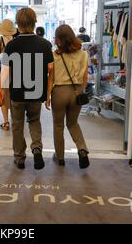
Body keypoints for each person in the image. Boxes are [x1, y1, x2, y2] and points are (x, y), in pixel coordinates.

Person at [0, 8, 54, 170]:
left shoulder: (11, 46)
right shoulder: (45, 44)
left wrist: (0, 90)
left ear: (18, 25)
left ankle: (20, 158)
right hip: (37, 92)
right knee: (34, 121)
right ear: (35, 22)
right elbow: (51, 70)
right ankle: (36, 149)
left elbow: (5, 72)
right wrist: (48, 92)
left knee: (17, 124)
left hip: (17, 93)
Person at [46, 24, 90, 169]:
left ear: (59, 40)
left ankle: (60, 157)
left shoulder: (55, 55)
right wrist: (80, 91)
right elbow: (85, 77)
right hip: (77, 91)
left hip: (59, 92)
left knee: (58, 125)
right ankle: (82, 149)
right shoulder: (83, 54)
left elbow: (51, 78)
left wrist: (47, 96)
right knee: (73, 123)